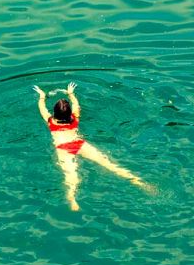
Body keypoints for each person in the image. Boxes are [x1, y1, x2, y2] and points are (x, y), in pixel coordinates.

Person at [33, 82, 152, 211]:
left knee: (71, 175)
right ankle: (135, 179)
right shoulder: (75, 118)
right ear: (69, 114)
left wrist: (42, 96)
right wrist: (71, 94)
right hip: (80, 144)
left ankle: (72, 198)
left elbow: (42, 108)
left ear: (55, 113)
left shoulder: (51, 121)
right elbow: (76, 105)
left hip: (64, 148)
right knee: (110, 165)